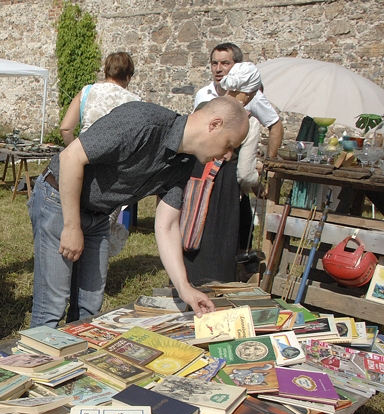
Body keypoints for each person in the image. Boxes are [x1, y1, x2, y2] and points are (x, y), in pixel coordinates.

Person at [28, 97, 249, 328]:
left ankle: (70, 361)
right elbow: (70, 157)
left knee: (89, 308)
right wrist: (72, 226)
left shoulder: (185, 163)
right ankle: (33, 361)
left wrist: (185, 288)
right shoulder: (141, 121)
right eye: (230, 144)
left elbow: (168, 225)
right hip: (57, 200)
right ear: (215, 125)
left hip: (99, 214)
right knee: (52, 306)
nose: (228, 156)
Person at [184, 61, 269, 283]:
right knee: (219, 244)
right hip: (225, 188)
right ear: (250, 92)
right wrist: (257, 182)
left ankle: (185, 282)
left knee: (193, 231)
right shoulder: (247, 120)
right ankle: (216, 288)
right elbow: (244, 173)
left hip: (197, 178)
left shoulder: (206, 108)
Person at [59, 52, 141, 146]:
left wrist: (75, 153)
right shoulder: (135, 101)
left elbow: (65, 129)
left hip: (86, 154)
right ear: (128, 77)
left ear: (106, 72)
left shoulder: (87, 91)